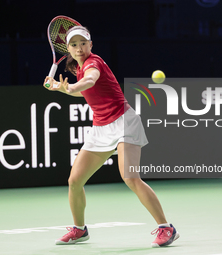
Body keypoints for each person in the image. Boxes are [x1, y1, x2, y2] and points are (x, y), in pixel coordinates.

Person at [43, 25, 179, 248]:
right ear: (67, 48)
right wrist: (60, 87)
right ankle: (80, 229)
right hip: (101, 128)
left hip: (124, 122)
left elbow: (90, 81)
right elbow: (81, 91)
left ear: (91, 45)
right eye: (74, 45)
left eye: (83, 43)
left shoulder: (93, 63)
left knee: (130, 177)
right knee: (75, 181)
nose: (79, 48)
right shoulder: (78, 68)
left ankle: (167, 227)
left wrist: (70, 87)